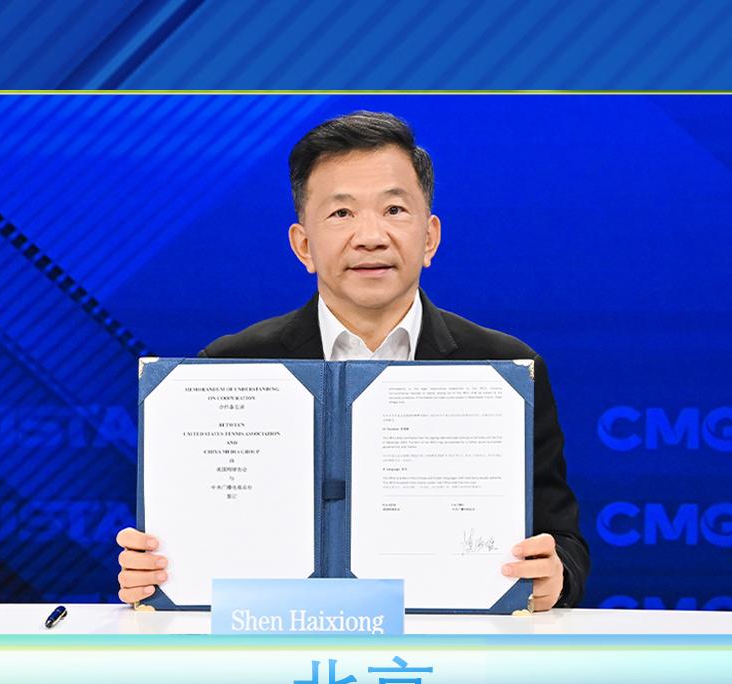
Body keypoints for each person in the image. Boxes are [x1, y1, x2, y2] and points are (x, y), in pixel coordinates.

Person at [115, 111, 589, 611]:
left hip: (456, 647)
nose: (370, 236)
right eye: (341, 213)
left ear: (429, 238)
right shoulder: (227, 368)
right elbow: (193, 537)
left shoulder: (505, 369)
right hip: (283, 640)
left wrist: (555, 574)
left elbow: (564, 542)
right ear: (303, 245)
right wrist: (154, 572)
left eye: (394, 210)